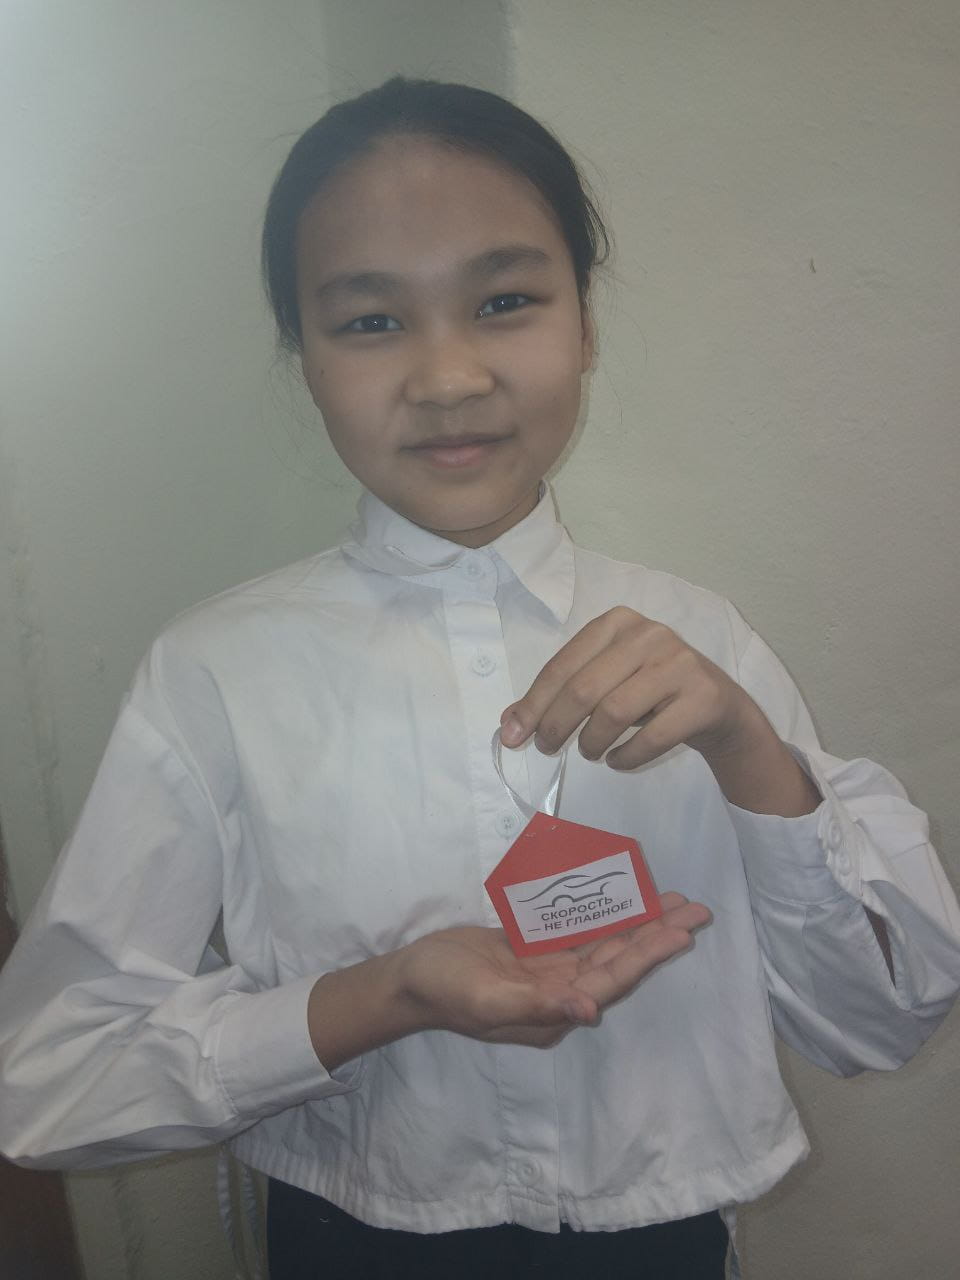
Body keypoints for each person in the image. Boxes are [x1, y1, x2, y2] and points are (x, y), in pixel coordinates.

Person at [0, 77, 958, 1280]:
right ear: (303, 356)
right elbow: (49, 1075)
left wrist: (751, 750)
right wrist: (383, 995)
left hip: (662, 1248)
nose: (449, 377)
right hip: (349, 1244)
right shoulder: (215, 672)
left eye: (504, 300)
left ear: (584, 323)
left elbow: (878, 1017)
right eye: (370, 320)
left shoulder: (702, 637)